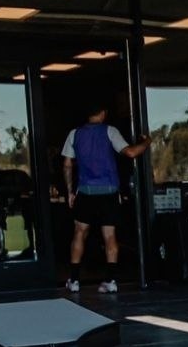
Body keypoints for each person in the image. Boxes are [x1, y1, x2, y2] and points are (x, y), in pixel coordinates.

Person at [62, 104, 150, 293]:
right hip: (108, 191)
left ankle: (74, 281)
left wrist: (70, 191)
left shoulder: (74, 134)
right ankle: (110, 281)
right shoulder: (110, 131)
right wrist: (146, 142)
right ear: (102, 113)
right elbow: (131, 153)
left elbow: (67, 164)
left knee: (79, 233)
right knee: (109, 236)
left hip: (85, 191)